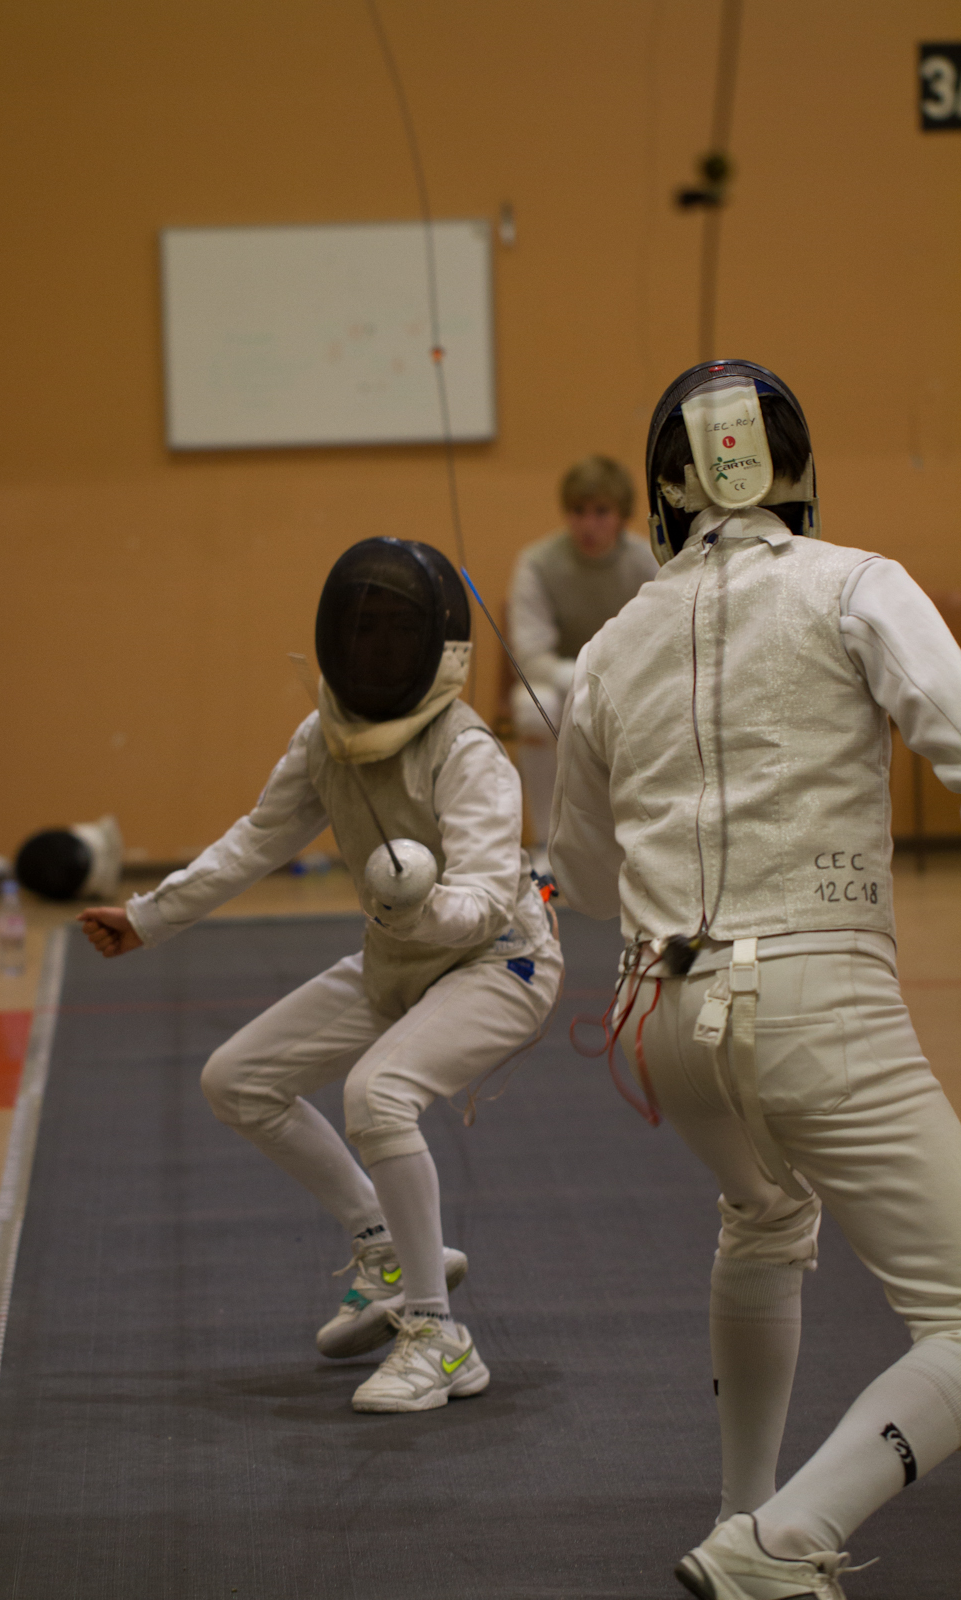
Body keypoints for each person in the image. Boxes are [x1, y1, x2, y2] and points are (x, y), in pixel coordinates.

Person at [549, 359, 961, 1597]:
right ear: (794, 470)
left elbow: (581, 873)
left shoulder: (608, 645)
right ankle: (779, 1543)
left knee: (765, 1215)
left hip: (657, 1019)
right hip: (812, 1002)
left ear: (664, 492)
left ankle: (741, 1507)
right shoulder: (854, 583)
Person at [79, 537, 562, 1414]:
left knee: (379, 1094)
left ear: (436, 645)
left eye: (396, 630)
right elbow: (256, 840)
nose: (376, 647)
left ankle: (439, 1337)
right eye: (362, 628)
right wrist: (149, 918)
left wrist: (417, 907)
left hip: (501, 963)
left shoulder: (466, 751)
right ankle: (383, 1244)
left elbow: (487, 900)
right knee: (238, 1080)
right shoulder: (326, 736)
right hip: (399, 958)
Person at [506, 455, 657, 870]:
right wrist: (588, 680)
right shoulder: (538, 563)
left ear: (622, 514)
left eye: (601, 511)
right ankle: (547, 846)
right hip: (564, 686)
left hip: (632, 683)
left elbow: (661, 639)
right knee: (530, 705)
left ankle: (644, 842)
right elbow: (531, 656)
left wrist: (616, 681)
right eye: (578, 511)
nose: (589, 524)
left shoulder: (646, 561)